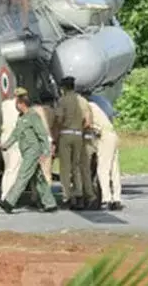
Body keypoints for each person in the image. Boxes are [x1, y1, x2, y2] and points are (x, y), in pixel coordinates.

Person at [0, 92, 57, 214]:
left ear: (22, 104)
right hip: (25, 151)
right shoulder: (21, 118)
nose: (16, 106)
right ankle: (50, 203)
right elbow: (15, 134)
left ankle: (9, 203)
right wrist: (3, 146)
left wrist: (46, 151)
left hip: (33, 151)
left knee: (23, 176)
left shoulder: (33, 116)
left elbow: (42, 134)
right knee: (39, 179)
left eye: (17, 104)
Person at [54, 76, 96, 210]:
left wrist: (58, 130)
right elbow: (88, 122)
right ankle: (79, 192)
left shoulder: (63, 100)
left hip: (66, 134)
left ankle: (67, 196)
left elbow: (59, 119)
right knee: (76, 165)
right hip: (79, 135)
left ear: (64, 88)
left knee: (65, 168)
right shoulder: (82, 101)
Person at [86, 95, 123, 211]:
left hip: (104, 136)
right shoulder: (95, 106)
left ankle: (106, 199)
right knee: (114, 169)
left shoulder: (87, 107)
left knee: (103, 169)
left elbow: (87, 123)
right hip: (112, 134)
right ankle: (116, 199)